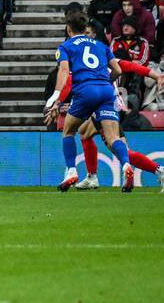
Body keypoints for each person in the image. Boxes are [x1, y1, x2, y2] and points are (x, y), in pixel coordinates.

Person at [45, 10, 136, 191]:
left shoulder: (65, 47)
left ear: (69, 29)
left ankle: (71, 171)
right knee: (112, 137)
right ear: (85, 28)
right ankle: (126, 164)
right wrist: (105, 83)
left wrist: (55, 96)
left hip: (85, 91)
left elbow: (63, 72)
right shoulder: (101, 45)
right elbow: (117, 70)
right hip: (105, 91)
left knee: (68, 131)